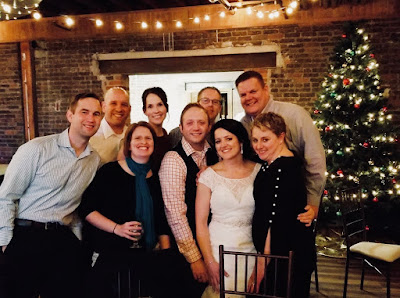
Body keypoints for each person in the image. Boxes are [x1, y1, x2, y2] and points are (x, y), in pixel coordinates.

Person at [0, 92, 102, 298]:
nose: (91, 118)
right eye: (84, 112)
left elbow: (78, 205)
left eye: (97, 113)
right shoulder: (37, 149)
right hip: (26, 235)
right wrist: (5, 244)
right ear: (70, 115)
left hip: (62, 238)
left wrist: (78, 240)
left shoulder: (94, 160)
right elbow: (6, 196)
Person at [79, 121, 172, 298]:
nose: (143, 142)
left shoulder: (155, 176)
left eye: (148, 138)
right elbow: (87, 209)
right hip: (111, 258)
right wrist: (117, 228)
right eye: (137, 138)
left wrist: (165, 258)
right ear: (129, 144)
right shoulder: (110, 171)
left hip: (145, 259)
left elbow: (161, 219)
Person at [236, 70, 326, 224]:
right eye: (243, 95)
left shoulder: (295, 115)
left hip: (293, 201)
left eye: (253, 91)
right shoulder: (243, 125)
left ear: (266, 89)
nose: (248, 98)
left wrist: (312, 202)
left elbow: (315, 160)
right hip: (262, 205)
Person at [249, 112, 315, 297]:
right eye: (255, 140)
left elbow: (274, 222)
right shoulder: (274, 162)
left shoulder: (283, 170)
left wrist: (263, 262)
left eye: (265, 139)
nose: (258, 146)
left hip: (283, 256)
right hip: (287, 252)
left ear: (280, 137)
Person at [159, 103, 218, 298]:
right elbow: (175, 214)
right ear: (181, 128)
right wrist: (194, 259)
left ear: (209, 126)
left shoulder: (216, 155)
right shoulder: (173, 159)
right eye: (190, 123)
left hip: (213, 246)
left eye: (201, 122)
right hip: (186, 251)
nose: (196, 127)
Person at [196, 119, 260, 297]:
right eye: (218, 141)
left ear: (240, 141)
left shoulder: (259, 171)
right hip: (219, 251)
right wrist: (209, 261)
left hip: (253, 249)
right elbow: (200, 223)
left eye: (228, 138)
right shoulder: (208, 176)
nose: (223, 145)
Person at [90, 87, 131, 164]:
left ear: (129, 109)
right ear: (103, 107)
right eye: (113, 103)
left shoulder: (133, 136)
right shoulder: (90, 137)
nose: (119, 109)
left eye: (124, 104)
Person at [142, 87, 172, 173]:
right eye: (150, 106)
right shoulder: (140, 136)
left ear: (166, 108)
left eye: (160, 105)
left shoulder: (168, 136)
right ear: (145, 111)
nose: (156, 111)